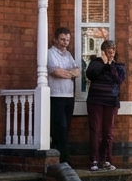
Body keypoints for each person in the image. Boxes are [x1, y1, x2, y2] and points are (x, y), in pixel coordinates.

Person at [85, 40, 126, 171]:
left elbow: (118, 79)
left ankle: (107, 159)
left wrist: (109, 65)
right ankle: (94, 160)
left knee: (108, 132)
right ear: (103, 51)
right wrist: (103, 63)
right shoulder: (95, 63)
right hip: (95, 101)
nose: (112, 52)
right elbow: (90, 74)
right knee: (95, 130)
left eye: (113, 50)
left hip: (111, 102)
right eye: (109, 50)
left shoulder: (118, 66)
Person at [46, 27, 81, 164]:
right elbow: (55, 72)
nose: (65, 42)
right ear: (55, 39)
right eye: (62, 39)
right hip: (56, 95)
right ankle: (61, 158)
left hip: (69, 95)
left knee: (66, 127)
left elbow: (77, 71)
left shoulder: (68, 55)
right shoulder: (50, 53)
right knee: (59, 126)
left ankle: (63, 157)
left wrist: (68, 73)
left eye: (67, 40)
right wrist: (69, 73)